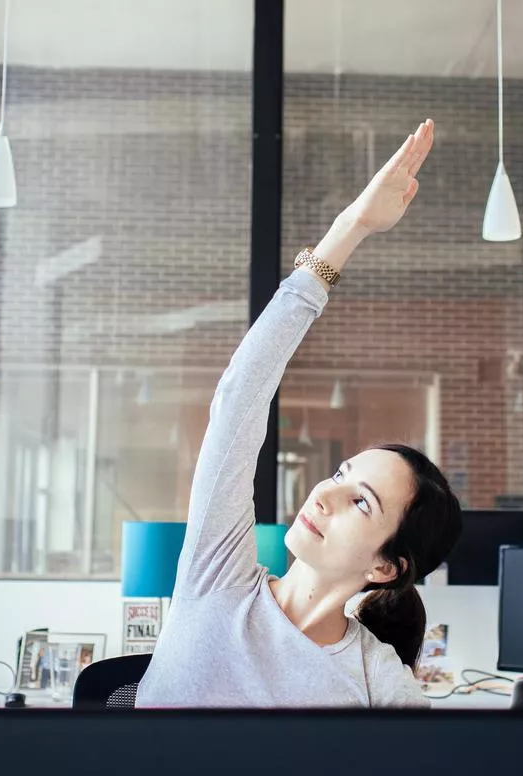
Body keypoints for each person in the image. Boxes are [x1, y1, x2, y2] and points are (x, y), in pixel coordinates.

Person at [136, 119, 462, 709]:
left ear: (387, 567)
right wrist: (352, 227)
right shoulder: (218, 574)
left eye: (362, 502)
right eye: (340, 476)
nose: (326, 495)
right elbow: (240, 396)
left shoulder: (376, 681)